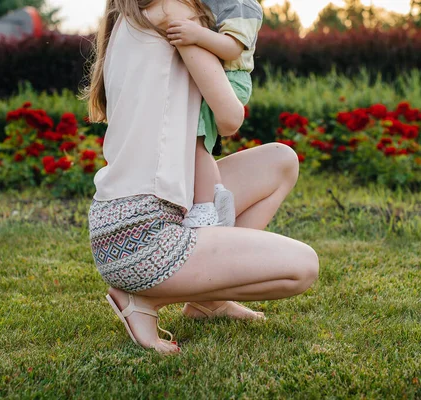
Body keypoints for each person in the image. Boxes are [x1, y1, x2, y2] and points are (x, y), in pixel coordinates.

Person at [83, 0, 319, 354]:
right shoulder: (175, 12)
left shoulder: (125, 20)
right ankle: (144, 299)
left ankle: (208, 302)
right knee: (303, 266)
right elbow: (230, 118)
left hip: (116, 224)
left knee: (280, 161)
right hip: (145, 235)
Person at [168, 0, 263, 228]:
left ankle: (205, 206)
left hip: (232, 80)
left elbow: (232, 48)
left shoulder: (242, 5)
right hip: (219, 74)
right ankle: (216, 191)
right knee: (198, 139)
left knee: (200, 140)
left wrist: (196, 34)